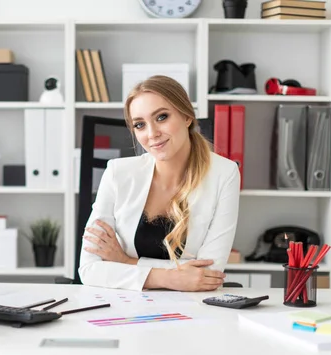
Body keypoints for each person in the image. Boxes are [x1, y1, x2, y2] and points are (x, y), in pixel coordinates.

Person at [78, 75, 240, 292]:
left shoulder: (224, 173)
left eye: (162, 117)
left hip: (191, 310)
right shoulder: (118, 173)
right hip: (125, 307)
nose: (152, 133)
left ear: (186, 116)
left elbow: (208, 274)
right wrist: (168, 278)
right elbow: (88, 269)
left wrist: (126, 262)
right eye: (139, 125)